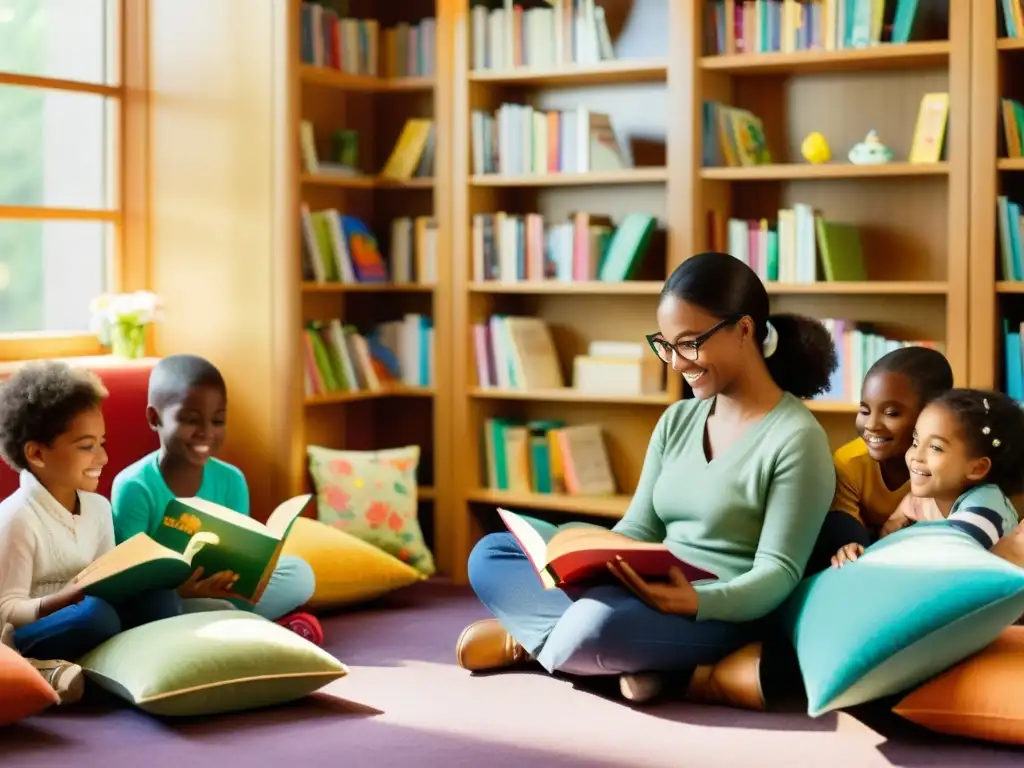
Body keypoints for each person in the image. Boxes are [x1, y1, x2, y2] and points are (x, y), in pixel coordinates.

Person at [456, 252, 839, 709]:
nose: (676, 363)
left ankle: (534, 643)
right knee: (491, 554)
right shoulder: (678, 419)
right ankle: (627, 664)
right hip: (642, 588)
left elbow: (778, 573)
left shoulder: (797, 439)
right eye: (667, 345)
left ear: (744, 330)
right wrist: (580, 554)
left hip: (716, 610)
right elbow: (636, 530)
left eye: (690, 344)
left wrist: (696, 603)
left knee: (597, 626)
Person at [0, 362, 183, 705]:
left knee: (163, 601)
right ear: (37, 454)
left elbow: (107, 575)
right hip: (32, 631)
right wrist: (60, 600)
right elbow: (6, 610)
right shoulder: (16, 518)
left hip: (93, 612)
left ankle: (94, 671)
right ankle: (41, 669)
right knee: (96, 616)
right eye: (87, 446)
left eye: (102, 442)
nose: (103, 456)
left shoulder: (98, 508)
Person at [110, 354, 322, 642]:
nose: (207, 433)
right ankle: (261, 631)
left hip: (224, 592)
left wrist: (251, 571)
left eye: (218, 420)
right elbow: (129, 578)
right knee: (183, 606)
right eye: (191, 420)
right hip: (167, 601)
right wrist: (182, 590)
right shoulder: (133, 487)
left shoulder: (231, 480)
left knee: (299, 573)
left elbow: (240, 557)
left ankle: (232, 629)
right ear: (154, 418)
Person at [833, 388, 1024, 568]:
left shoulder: (987, 503)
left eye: (935, 447)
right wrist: (861, 553)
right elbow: (888, 538)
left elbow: (953, 553)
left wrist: (878, 558)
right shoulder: (922, 501)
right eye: (915, 442)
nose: (915, 455)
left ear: (977, 468)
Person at [805, 347, 953, 574]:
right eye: (864, 411)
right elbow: (844, 533)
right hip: (867, 552)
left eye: (891, 413)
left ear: (932, 414)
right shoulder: (849, 463)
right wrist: (848, 548)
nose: (872, 424)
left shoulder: (947, 463)